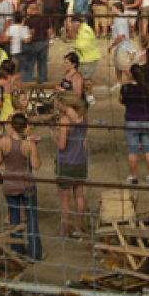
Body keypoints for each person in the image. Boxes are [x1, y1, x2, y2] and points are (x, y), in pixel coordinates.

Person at [0, 114, 42, 261]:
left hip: (10, 184)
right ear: (25, 127)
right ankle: (34, 254)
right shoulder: (29, 144)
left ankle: (17, 252)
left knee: (14, 219)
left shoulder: (3, 142)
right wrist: (35, 148)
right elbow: (36, 165)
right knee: (32, 219)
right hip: (26, 184)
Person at [46, 92, 88, 238]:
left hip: (66, 162)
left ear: (64, 104)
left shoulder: (64, 120)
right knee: (79, 195)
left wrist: (53, 135)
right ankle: (80, 227)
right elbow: (83, 139)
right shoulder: (83, 117)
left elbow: (62, 145)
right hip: (81, 160)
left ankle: (65, 230)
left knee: (65, 198)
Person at [119, 64, 149, 184]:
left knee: (132, 150)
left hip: (131, 120)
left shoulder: (125, 88)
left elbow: (121, 100)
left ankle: (134, 176)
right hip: (147, 121)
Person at [68, 16, 100, 105]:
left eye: (72, 25)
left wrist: (74, 38)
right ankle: (85, 95)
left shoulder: (85, 31)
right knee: (83, 78)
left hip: (88, 59)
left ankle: (90, 96)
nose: (72, 27)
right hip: (84, 58)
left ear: (77, 24)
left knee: (87, 79)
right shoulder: (82, 29)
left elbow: (82, 45)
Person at [107, 2, 135, 91]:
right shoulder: (117, 18)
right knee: (117, 65)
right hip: (119, 46)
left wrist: (111, 46)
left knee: (124, 67)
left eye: (113, 8)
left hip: (123, 47)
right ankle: (118, 83)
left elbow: (120, 36)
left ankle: (135, 82)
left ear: (118, 9)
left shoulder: (120, 19)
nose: (111, 10)